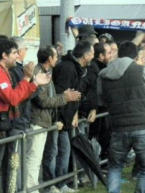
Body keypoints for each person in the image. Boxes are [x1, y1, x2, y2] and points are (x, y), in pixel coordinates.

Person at [98, 41, 145, 193]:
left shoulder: (103, 75)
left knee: (115, 167)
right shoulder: (139, 70)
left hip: (118, 127)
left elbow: (100, 97)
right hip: (143, 126)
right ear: (135, 56)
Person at [42, 41, 94, 193]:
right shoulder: (67, 68)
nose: (93, 57)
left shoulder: (77, 68)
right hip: (57, 118)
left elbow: (73, 96)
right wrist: (59, 117)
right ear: (86, 55)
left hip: (66, 118)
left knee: (64, 150)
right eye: (92, 54)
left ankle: (60, 183)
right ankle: (50, 184)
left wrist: (74, 113)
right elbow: (60, 94)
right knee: (52, 152)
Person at [28, 46, 81, 193]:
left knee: (42, 156)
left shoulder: (45, 72)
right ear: (50, 58)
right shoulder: (38, 73)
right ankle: (34, 189)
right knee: (34, 159)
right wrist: (64, 98)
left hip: (46, 121)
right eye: (56, 56)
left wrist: (62, 96)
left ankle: (43, 186)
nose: (58, 59)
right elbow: (43, 101)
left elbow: (48, 98)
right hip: (38, 121)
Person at [0, 38, 51, 189]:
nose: (18, 56)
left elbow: (16, 96)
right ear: (4, 55)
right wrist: (28, 79)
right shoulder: (1, 74)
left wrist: (33, 83)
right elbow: (13, 98)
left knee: (6, 167)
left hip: (5, 125)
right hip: (5, 124)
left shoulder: (5, 72)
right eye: (15, 53)